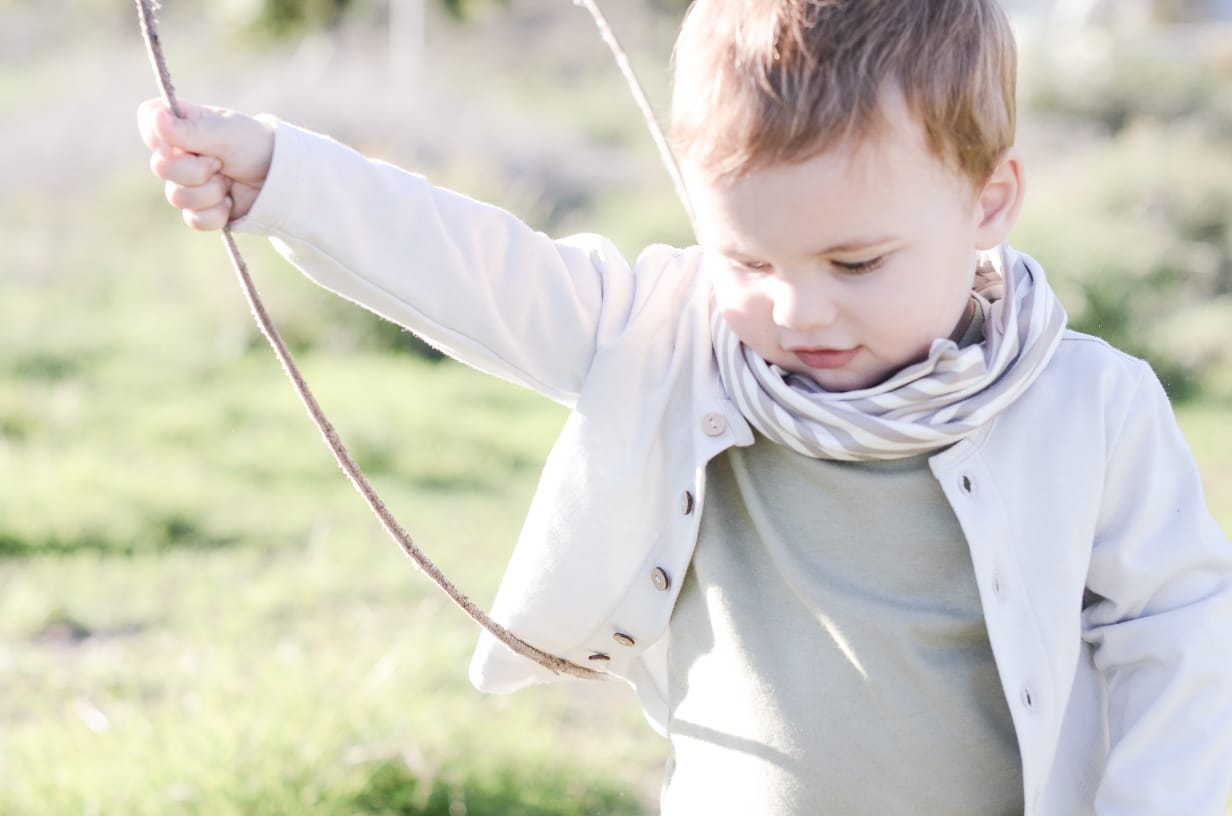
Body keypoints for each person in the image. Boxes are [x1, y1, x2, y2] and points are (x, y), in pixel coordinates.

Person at [137, 0, 1232, 812]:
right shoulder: (674, 338)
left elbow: (1178, 648)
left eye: (856, 261)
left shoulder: (1092, 407)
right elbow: (484, 269)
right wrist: (286, 177)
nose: (799, 307)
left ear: (987, 200)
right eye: (746, 255)